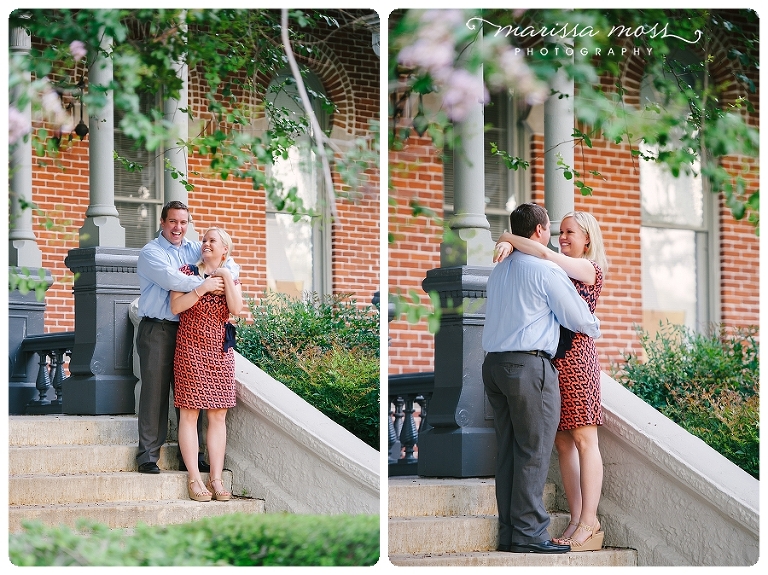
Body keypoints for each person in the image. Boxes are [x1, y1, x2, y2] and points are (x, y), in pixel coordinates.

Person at [481, 203, 601, 555]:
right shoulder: (546, 271)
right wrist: (595, 326)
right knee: (533, 451)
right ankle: (531, 535)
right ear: (539, 231)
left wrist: (507, 239)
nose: (556, 237)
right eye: (553, 229)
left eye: (568, 233)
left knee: (508, 452)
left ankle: (511, 533)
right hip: (529, 367)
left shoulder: (499, 271)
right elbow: (581, 318)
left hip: (495, 366)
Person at [135, 201, 237, 475]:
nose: (178, 228)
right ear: (162, 222)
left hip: (189, 332)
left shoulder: (194, 247)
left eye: (183, 222)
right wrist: (209, 284)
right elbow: (173, 281)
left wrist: (226, 277)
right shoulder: (151, 252)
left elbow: (228, 263)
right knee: (155, 392)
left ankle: (189, 457)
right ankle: (147, 455)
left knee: (189, 396)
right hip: (157, 328)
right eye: (172, 222)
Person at [170, 227, 243, 502]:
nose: (206, 243)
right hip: (190, 346)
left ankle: (216, 479)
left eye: (212, 240)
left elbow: (236, 310)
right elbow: (176, 307)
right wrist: (202, 288)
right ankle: (194, 479)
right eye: (204, 240)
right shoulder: (187, 272)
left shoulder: (230, 276)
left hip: (219, 351)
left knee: (218, 415)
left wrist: (223, 275)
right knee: (189, 412)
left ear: (225, 249)